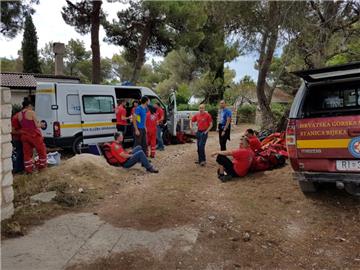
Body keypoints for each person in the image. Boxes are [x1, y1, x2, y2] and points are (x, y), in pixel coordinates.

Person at [18, 99, 47, 173]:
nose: (33, 108)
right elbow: (37, 125)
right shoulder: (31, 112)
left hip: (24, 136)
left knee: (27, 153)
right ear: (29, 106)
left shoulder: (19, 114)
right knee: (41, 150)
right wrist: (42, 125)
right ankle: (42, 167)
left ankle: (29, 169)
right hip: (34, 135)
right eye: (32, 106)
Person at [11, 106, 24, 173]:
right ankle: (17, 169)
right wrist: (22, 131)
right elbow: (12, 131)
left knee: (21, 153)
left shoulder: (21, 117)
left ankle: (20, 168)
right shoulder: (16, 118)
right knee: (19, 153)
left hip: (21, 138)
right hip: (17, 139)